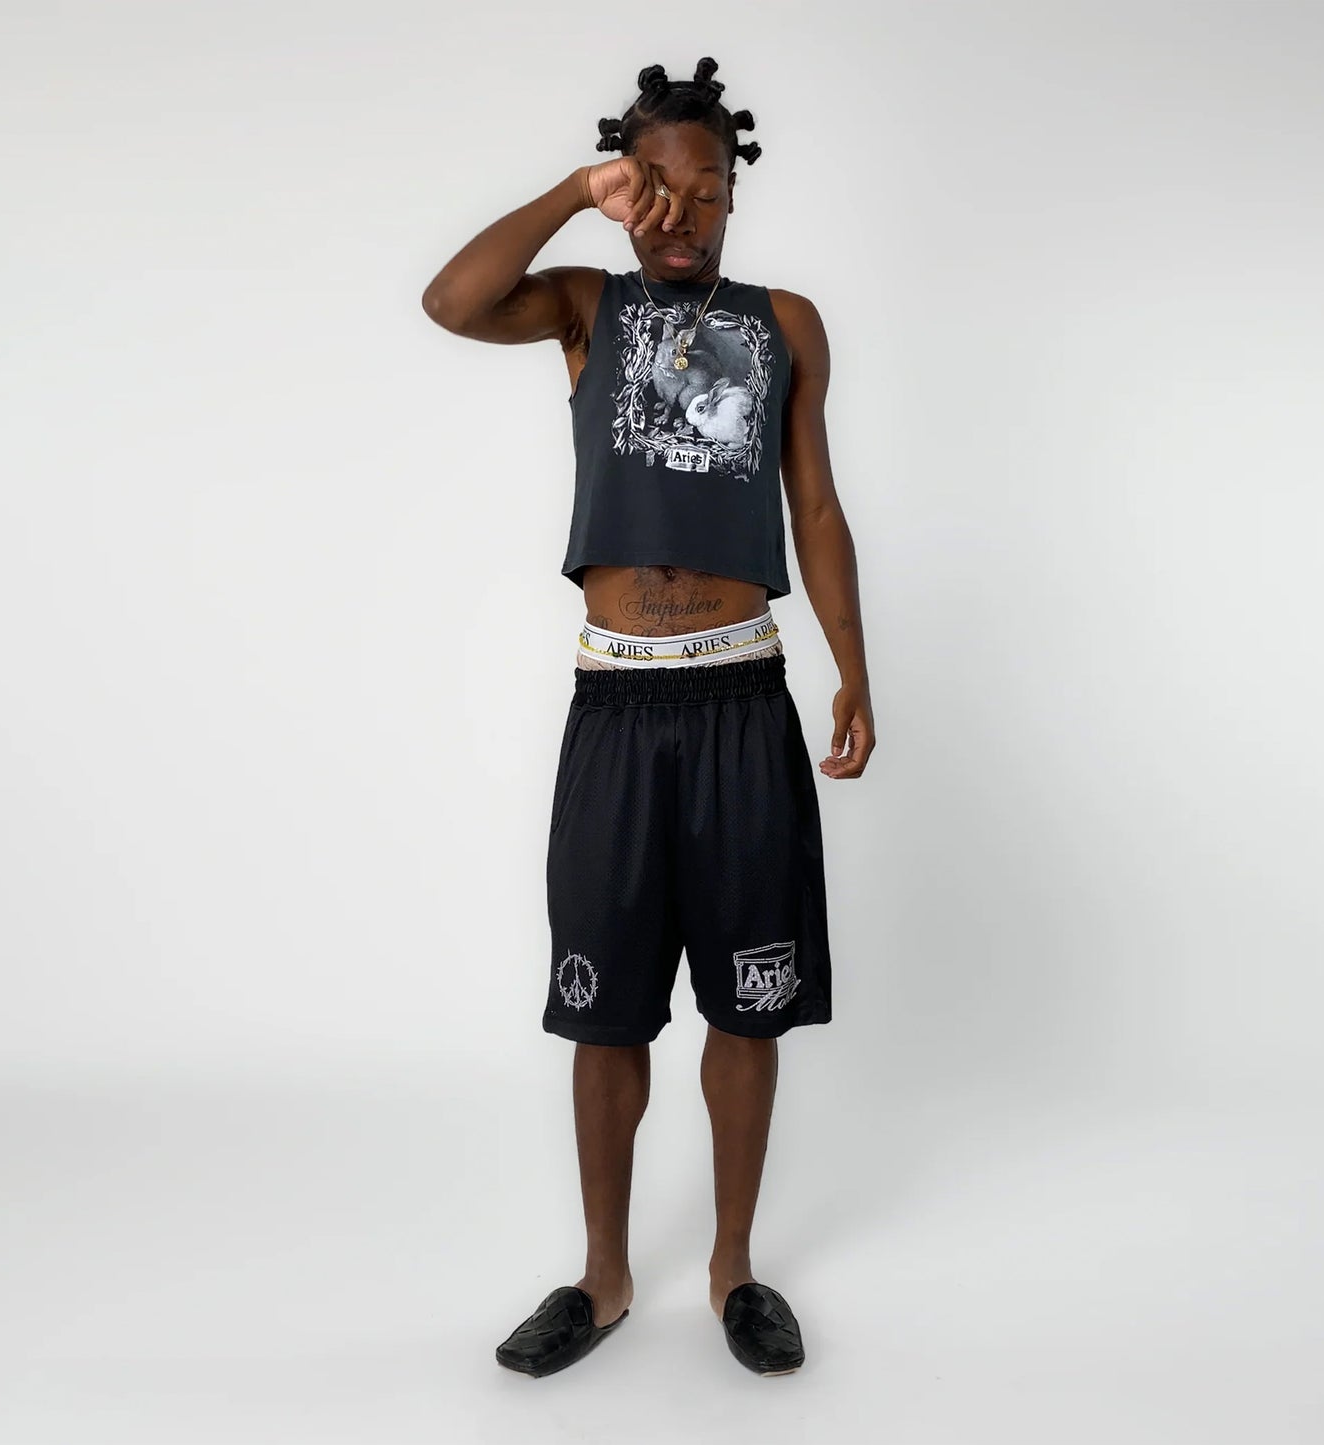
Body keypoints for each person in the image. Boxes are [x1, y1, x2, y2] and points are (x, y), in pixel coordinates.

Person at [421, 56, 874, 1378]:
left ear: (734, 193)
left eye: (705, 188)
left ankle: (733, 1266)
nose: (681, 214)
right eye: (655, 189)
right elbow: (452, 302)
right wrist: (577, 193)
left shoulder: (785, 323)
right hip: (616, 703)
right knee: (604, 1011)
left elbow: (816, 506)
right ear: (630, 191)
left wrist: (851, 666)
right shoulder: (585, 307)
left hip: (742, 693)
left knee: (749, 1004)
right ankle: (604, 1274)